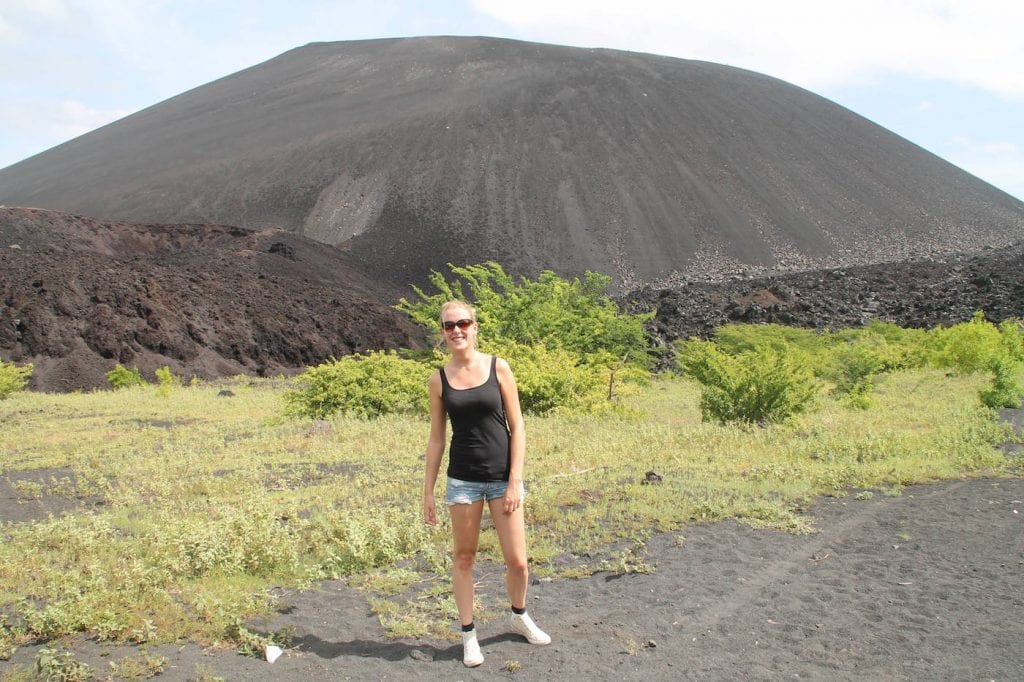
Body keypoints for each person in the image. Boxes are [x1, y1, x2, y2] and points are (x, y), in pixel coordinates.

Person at [423, 300, 551, 668]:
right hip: (462, 481)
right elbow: (436, 439)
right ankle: (468, 636)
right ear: (442, 333)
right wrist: (428, 491)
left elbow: (518, 426)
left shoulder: (499, 367)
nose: (457, 330)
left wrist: (515, 480)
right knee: (464, 559)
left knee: (518, 562)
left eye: (463, 322)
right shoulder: (439, 379)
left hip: (501, 479)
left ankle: (519, 614)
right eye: (449, 326)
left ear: (475, 326)